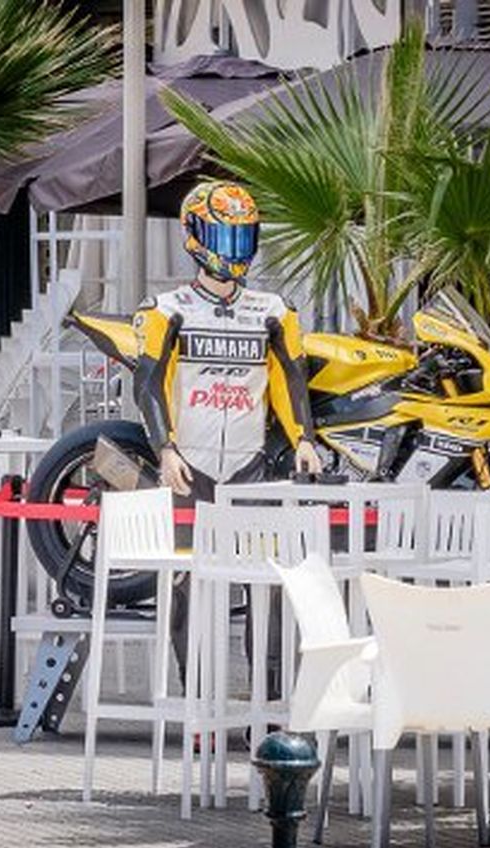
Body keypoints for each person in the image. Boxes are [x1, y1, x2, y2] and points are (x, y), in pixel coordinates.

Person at [132, 181, 320, 693]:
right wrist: (164, 449)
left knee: (268, 589)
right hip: (189, 468)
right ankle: (195, 699)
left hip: (250, 469)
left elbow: (290, 378)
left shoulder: (275, 311)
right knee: (187, 585)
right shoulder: (165, 309)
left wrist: (305, 438)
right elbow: (147, 383)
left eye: (242, 238)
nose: (233, 251)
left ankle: (267, 700)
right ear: (195, 237)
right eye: (223, 237)